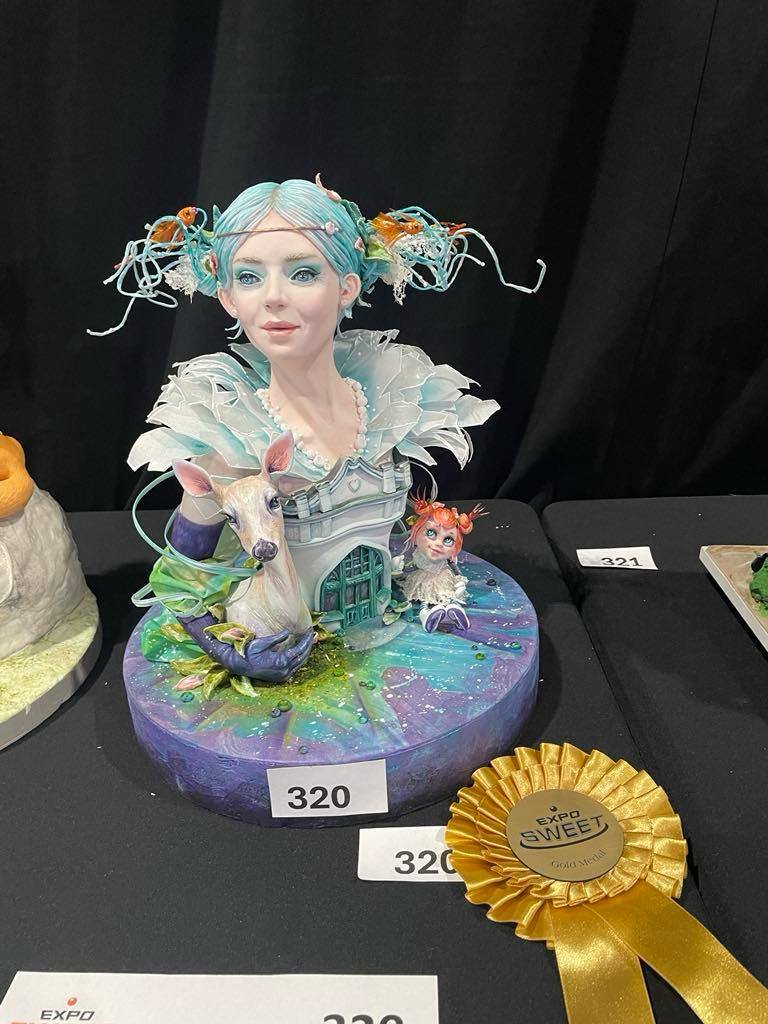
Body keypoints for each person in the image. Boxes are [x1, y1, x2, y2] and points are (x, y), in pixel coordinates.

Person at [94, 175, 544, 680]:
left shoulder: (392, 402)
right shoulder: (227, 439)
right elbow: (183, 580)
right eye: (249, 277)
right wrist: (228, 650)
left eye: (303, 273)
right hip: (288, 635)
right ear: (227, 298)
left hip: (380, 626)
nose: (273, 297)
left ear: (346, 287)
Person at [396, 497, 486, 633]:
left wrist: (459, 581)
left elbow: (455, 569)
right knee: (424, 598)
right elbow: (411, 567)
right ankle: (426, 615)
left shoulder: (448, 560)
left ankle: (455, 610)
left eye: (448, 539)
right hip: (422, 579)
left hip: (442, 577)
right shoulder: (417, 555)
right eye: (431, 533)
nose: (438, 544)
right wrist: (399, 570)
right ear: (416, 529)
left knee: (448, 594)